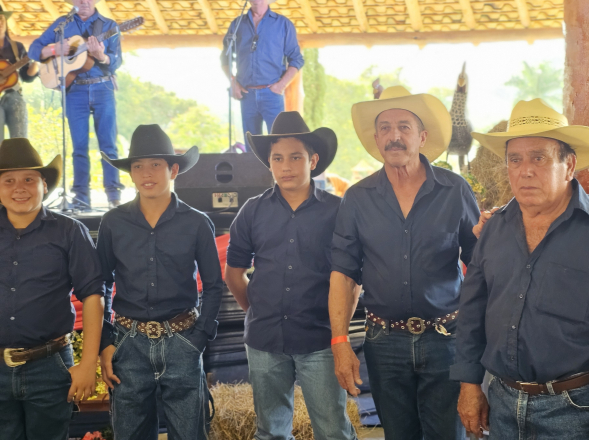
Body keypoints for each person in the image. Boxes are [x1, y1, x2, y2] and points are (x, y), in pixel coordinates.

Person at [451, 99, 589, 440]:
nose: (525, 170)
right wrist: (469, 384)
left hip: (578, 408)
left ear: (569, 165)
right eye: (515, 159)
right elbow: (472, 311)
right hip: (501, 404)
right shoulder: (494, 229)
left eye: (539, 158)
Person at [329, 86, 480, 440]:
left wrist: (478, 338)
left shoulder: (454, 190)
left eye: (404, 127)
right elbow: (344, 273)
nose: (393, 136)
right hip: (384, 342)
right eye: (384, 128)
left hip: (446, 340)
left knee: (449, 435)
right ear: (377, 139)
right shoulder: (357, 198)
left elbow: (480, 265)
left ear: (422, 137)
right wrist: (339, 341)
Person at [224, 111, 357, 440]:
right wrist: (257, 311)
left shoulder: (338, 211)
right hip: (264, 341)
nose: (286, 166)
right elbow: (234, 274)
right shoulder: (252, 210)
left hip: (320, 339)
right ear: (269, 163)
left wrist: (339, 330)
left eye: (296, 157)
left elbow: (352, 280)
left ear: (313, 160)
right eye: (278, 158)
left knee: (333, 431)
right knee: (270, 432)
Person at [97, 124, 223, 440]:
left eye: (155, 164)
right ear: (130, 173)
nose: (146, 173)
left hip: (182, 339)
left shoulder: (197, 222)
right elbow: (101, 283)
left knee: (190, 434)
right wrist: (106, 341)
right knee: (130, 434)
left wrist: (199, 338)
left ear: (173, 170)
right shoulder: (113, 223)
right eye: (138, 166)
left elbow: (213, 285)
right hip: (129, 342)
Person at [0, 138, 104, 439]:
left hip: (49, 365)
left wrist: (88, 364)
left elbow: (93, 295)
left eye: (29, 179)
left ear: (44, 185)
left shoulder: (69, 231)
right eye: (8, 180)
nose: (19, 188)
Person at [28, 0, 123, 209]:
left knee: (108, 145)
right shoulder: (62, 24)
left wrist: (101, 56)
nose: (84, 0)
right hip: (74, 89)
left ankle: (114, 197)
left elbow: (116, 62)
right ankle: (81, 198)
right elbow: (34, 49)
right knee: (79, 147)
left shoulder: (109, 26)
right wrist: (54, 49)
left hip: (102, 87)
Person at [220, 0, 304, 151]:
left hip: (271, 94)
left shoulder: (283, 24)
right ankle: (253, 171)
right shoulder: (237, 24)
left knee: (279, 144)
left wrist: (280, 86)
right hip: (246, 95)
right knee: (252, 146)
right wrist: (233, 83)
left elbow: (297, 59)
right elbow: (224, 58)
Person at [0, 6, 39, 140]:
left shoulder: (17, 47)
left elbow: (27, 77)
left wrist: (37, 62)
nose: (0, 23)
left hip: (13, 95)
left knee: (20, 138)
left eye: (2, 19)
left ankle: (19, 149)